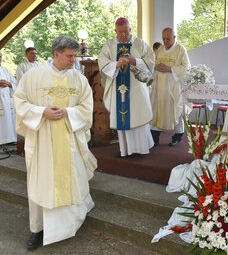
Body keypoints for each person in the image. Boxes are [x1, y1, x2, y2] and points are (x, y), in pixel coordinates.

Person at [14, 36, 97, 249]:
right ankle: (38, 229)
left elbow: (87, 108)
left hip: (70, 141)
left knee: (72, 179)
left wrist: (68, 112)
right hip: (44, 142)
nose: (73, 60)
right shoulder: (33, 76)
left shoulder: (78, 79)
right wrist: (42, 112)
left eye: (75, 56)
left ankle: (72, 223)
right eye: (69, 56)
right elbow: (20, 102)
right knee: (43, 183)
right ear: (56, 54)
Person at [98, 17, 154, 156]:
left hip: (136, 89)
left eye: (125, 31)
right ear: (115, 30)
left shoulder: (140, 43)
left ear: (130, 29)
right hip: (118, 86)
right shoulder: (109, 45)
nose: (123, 35)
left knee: (137, 115)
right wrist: (116, 64)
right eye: (120, 32)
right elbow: (102, 61)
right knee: (123, 117)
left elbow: (150, 61)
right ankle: (126, 150)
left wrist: (134, 60)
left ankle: (142, 148)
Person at [150, 27, 190, 147]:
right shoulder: (160, 49)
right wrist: (156, 66)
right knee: (156, 109)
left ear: (174, 37)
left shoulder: (180, 49)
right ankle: (154, 137)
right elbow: (153, 63)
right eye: (163, 39)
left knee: (175, 110)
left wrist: (169, 69)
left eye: (168, 39)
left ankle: (178, 136)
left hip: (173, 86)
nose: (165, 41)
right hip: (159, 86)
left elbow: (186, 67)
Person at [0, 50, 17, 145]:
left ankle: (9, 139)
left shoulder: (6, 70)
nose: (0, 58)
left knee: (7, 120)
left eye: (0, 56)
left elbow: (15, 83)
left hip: (6, 101)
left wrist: (9, 84)